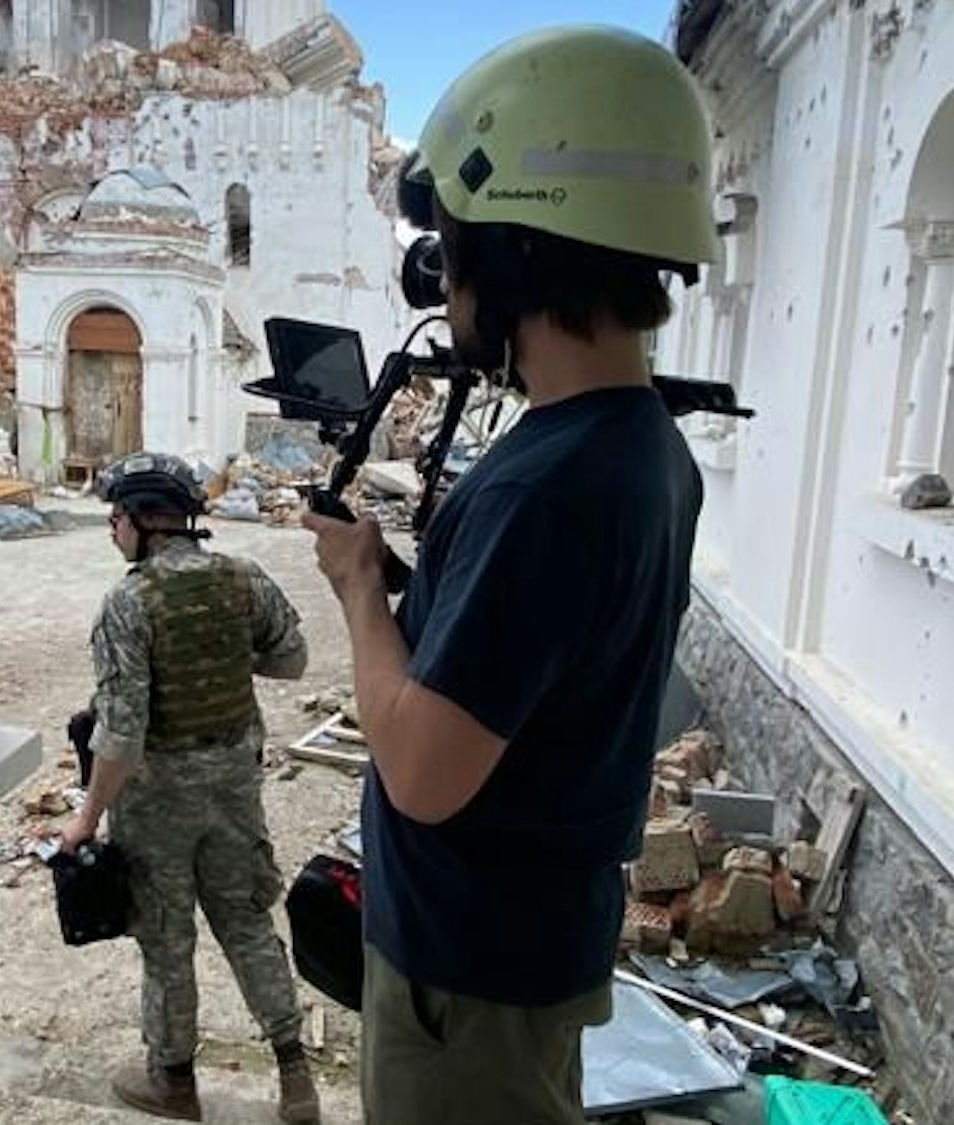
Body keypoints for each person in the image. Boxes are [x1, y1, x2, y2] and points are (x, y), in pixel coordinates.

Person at [299, 26, 722, 1125]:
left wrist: (355, 584)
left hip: (467, 977)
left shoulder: (547, 486)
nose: (444, 279)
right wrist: (419, 593)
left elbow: (423, 775)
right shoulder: (640, 446)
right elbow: (534, 667)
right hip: (527, 947)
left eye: (455, 241)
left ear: (521, 249)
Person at [61, 451, 322, 1124]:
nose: (111, 530)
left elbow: (119, 736)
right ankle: (297, 1081)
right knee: (248, 922)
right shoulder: (241, 576)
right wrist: (233, 655)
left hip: (156, 800)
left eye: (114, 516)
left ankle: (173, 1083)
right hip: (235, 784)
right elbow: (292, 660)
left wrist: (85, 820)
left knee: (167, 940)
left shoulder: (127, 601)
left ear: (144, 520)